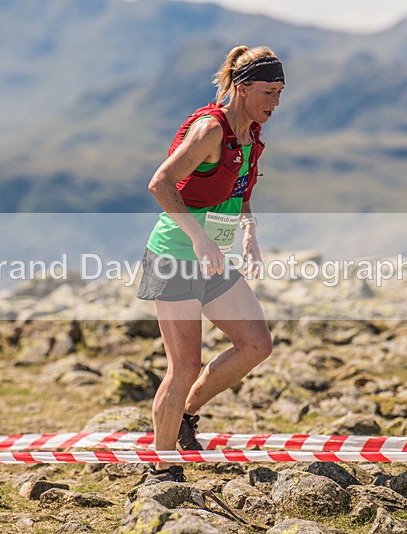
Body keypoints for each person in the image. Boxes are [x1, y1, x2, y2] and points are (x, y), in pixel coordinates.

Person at [136, 45, 284, 483]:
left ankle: (184, 415)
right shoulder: (209, 130)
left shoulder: (250, 133)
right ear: (242, 88)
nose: (275, 103)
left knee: (256, 344)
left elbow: (239, 192)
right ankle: (161, 469)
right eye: (268, 92)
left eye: (280, 93)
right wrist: (198, 238)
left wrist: (250, 232)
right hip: (175, 258)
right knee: (183, 366)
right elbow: (160, 183)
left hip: (213, 260)